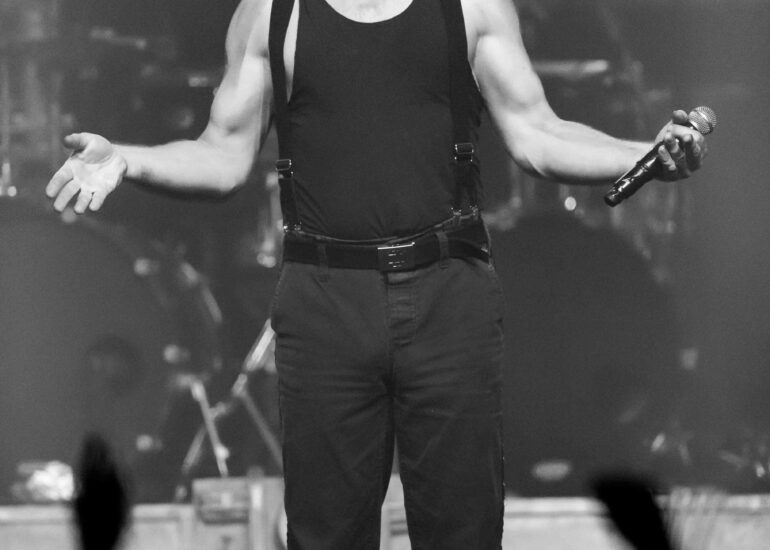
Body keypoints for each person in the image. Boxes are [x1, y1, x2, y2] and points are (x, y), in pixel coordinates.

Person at [46, 0, 708, 548]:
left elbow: (538, 133)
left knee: (463, 532)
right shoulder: (274, 14)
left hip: (447, 290)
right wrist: (126, 158)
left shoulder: (470, 8)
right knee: (325, 534)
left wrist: (643, 151)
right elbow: (222, 155)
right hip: (325, 298)